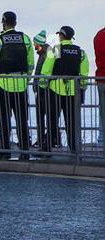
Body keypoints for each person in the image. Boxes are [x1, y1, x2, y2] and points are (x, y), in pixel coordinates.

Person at [0, 10, 35, 159]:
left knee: (3, 118)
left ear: (4, 23)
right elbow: (30, 63)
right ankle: (24, 149)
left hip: (2, 84)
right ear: (16, 22)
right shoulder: (25, 39)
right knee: (22, 119)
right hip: (21, 84)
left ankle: (5, 149)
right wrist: (27, 79)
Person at [41, 26, 91, 154]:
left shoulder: (56, 49)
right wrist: (82, 88)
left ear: (61, 36)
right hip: (73, 91)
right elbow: (84, 73)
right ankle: (74, 148)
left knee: (52, 119)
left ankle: (48, 147)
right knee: (72, 121)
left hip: (55, 90)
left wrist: (42, 85)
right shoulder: (80, 52)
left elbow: (46, 70)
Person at [32, 30, 52, 149]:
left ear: (39, 44)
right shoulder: (49, 52)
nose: (34, 46)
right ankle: (46, 139)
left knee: (42, 116)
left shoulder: (46, 54)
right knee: (47, 116)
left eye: (35, 43)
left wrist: (38, 86)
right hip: (45, 90)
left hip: (44, 90)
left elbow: (43, 72)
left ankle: (43, 140)